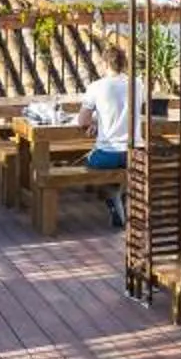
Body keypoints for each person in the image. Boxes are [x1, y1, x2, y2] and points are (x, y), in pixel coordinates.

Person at [78, 40, 136, 228]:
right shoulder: (138, 84)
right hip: (135, 153)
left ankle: (113, 197)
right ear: (123, 63)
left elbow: (82, 121)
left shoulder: (96, 86)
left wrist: (95, 122)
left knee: (89, 162)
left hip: (107, 154)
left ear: (105, 63)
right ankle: (122, 194)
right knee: (125, 166)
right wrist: (99, 121)